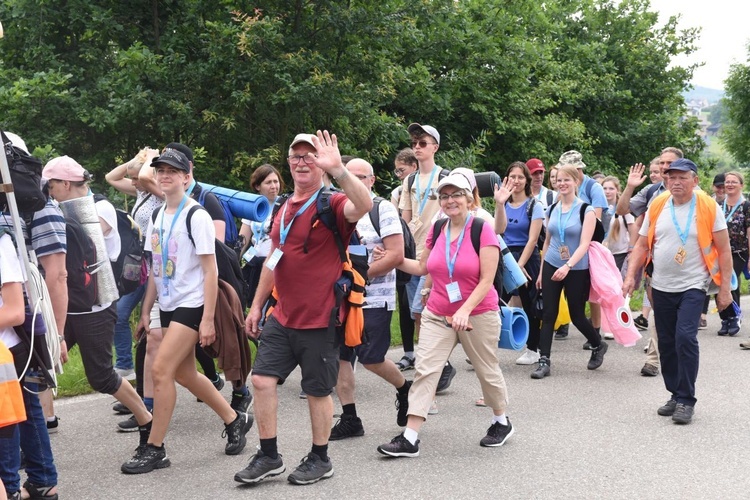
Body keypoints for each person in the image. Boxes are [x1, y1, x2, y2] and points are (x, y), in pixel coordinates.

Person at [235, 131, 372, 486]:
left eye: (309, 156)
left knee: (316, 391)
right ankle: (268, 454)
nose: (301, 162)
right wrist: (256, 306)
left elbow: (365, 205)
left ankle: (320, 457)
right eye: (295, 156)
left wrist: (340, 169)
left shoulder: (334, 202)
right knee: (262, 380)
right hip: (283, 315)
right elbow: (273, 259)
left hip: (320, 318)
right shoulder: (281, 206)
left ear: (320, 163)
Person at [120, 148, 253, 474]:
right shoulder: (156, 216)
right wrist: (147, 310)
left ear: (186, 176)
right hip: (166, 305)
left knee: (161, 371)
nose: (165, 176)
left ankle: (155, 447)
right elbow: (156, 269)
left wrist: (208, 319)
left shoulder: (197, 216)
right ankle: (234, 418)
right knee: (183, 374)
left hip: (192, 306)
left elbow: (211, 272)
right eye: (160, 171)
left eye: (172, 171)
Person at [376, 173, 512, 457]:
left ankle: (501, 420)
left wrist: (464, 309)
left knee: (487, 371)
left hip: (478, 313)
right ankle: (410, 437)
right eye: (445, 196)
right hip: (438, 312)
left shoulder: (482, 228)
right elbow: (423, 267)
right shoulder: (437, 228)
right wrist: (393, 259)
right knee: (426, 369)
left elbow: (487, 279)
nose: (451, 201)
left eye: (456, 195)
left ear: (469, 198)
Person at [43, 156, 155, 441]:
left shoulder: (99, 208)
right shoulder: (56, 209)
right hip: (68, 304)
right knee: (40, 359)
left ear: (65, 184)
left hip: (96, 306)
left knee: (102, 377)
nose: (48, 191)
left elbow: (80, 244)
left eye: (51, 185)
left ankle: (147, 420)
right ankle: (44, 423)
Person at [623, 158, 732, 425]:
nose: (676, 181)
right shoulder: (658, 205)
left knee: (685, 338)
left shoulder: (707, 206)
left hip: (694, 285)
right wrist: (630, 276)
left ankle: (686, 399)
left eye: (682, 177)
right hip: (660, 285)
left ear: (695, 180)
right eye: (671, 177)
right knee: (667, 343)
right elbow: (641, 245)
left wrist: (725, 289)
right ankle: (675, 393)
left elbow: (724, 249)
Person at [328, 158, 410, 440]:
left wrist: (357, 279)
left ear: (372, 180)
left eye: (361, 177)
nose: (355, 181)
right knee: (341, 357)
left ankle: (404, 387)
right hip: (343, 299)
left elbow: (396, 255)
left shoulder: (381, 208)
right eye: (349, 176)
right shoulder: (339, 207)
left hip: (375, 298)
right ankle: (350, 418)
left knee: (371, 358)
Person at [0, 132, 68, 433]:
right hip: (13, 311)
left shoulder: (39, 205)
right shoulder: (7, 204)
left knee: (30, 383)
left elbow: (56, 274)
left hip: (29, 309)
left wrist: (60, 335)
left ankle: (40, 461)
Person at [105, 147, 166, 431]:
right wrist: (137, 159)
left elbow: (142, 173)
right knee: (150, 336)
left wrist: (147, 158)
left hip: (155, 268)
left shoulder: (157, 192)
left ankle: (138, 390)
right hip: (141, 266)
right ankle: (138, 391)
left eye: (140, 174)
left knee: (140, 327)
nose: (135, 178)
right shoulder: (141, 193)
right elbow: (112, 175)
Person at [532, 165, 609, 379]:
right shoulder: (552, 209)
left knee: (576, 315)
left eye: (567, 180)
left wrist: (568, 267)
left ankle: (597, 344)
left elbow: (584, 244)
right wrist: (541, 272)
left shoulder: (587, 210)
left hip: (576, 267)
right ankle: (544, 360)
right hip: (551, 263)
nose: (562, 183)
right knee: (548, 313)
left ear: (576, 182)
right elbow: (547, 241)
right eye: (558, 180)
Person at [0, 227, 58, 500]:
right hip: (11, 352)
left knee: (10, 422)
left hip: (10, 352)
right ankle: (42, 483)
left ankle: (16, 488)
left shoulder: (1, 244)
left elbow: (13, 311)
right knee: (25, 416)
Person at [397, 123, 456, 391]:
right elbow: (405, 219)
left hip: (437, 255)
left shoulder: (446, 177)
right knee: (418, 314)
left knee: (427, 312)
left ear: (435, 147)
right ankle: (439, 365)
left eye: (423, 143)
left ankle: (434, 366)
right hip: (415, 255)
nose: (418, 147)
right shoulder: (409, 181)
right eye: (415, 142)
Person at [616, 147, 683, 376]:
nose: (665, 168)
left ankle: (676, 351)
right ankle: (654, 360)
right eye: (662, 163)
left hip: (686, 267)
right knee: (658, 312)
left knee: (680, 322)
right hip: (656, 263)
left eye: (669, 163)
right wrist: (630, 186)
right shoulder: (651, 191)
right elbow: (622, 209)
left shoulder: (694, 193)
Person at [494, 162, 544, 365]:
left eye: (520, 177)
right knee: (496, 302)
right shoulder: (503, 204)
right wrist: (499, 204)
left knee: (530, 304)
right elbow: (497, 231)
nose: (516, 180)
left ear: (527, 180)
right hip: (504, 255)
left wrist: (520, 265)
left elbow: (532, 239)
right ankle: (488, 347)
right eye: (512, 176)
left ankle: (533, 349)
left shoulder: (535, 206)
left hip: (527, 258)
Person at [557, 151, 607, 348]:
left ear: (578, 170)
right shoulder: (564, 186)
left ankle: (595, 330)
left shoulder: (594, 187)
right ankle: (567, 323)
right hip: (567, 244)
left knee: (593, 291)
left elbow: (597, 220)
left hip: (590, 244)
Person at [389, 149, 418, 378]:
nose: (399, 174)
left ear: (414, 167)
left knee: (421, 308)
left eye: (403, 170)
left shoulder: (428, 189)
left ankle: (432, 356)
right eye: (397, 170)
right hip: (405, 251)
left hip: (422, 252)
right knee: (406, 304)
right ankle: (409, 352)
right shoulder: (398, 192)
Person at [238, 164, 283, 305]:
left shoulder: (286, 204)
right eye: (268, 182)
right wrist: (234, 261)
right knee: (246, 298)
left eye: (276, 182)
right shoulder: (253, 205)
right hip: (252, 258)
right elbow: (243, 239)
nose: (274, 186)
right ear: (258, 186)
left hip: (274, 262)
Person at [715, 171, 749, 336]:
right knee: (717, 283)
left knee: (730, 282)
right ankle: (725, 318)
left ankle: (735, 317)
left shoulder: (746, 206)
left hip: (738, 251)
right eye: (727, 182)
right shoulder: (717, 204)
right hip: (718, 251)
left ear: (741, 185)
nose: (729, 185)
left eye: (733, 182)